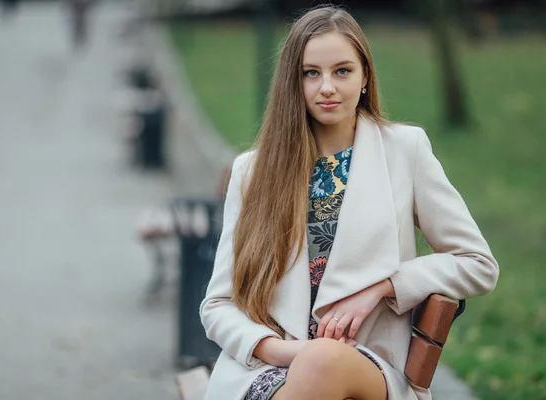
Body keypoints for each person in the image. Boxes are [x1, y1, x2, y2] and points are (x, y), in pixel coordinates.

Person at [200, 6, 499, 400]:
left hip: (366, 367)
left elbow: (478, 264)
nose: (327, 87)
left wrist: (385, 286)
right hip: (267, 371)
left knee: (324, 360)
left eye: (342, 71)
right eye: (311, 73)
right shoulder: (252, 172)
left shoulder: (404, 151)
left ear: (364, 78)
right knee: (316, 361)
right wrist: (283, 351)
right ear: (295, 82)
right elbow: (217, 304)